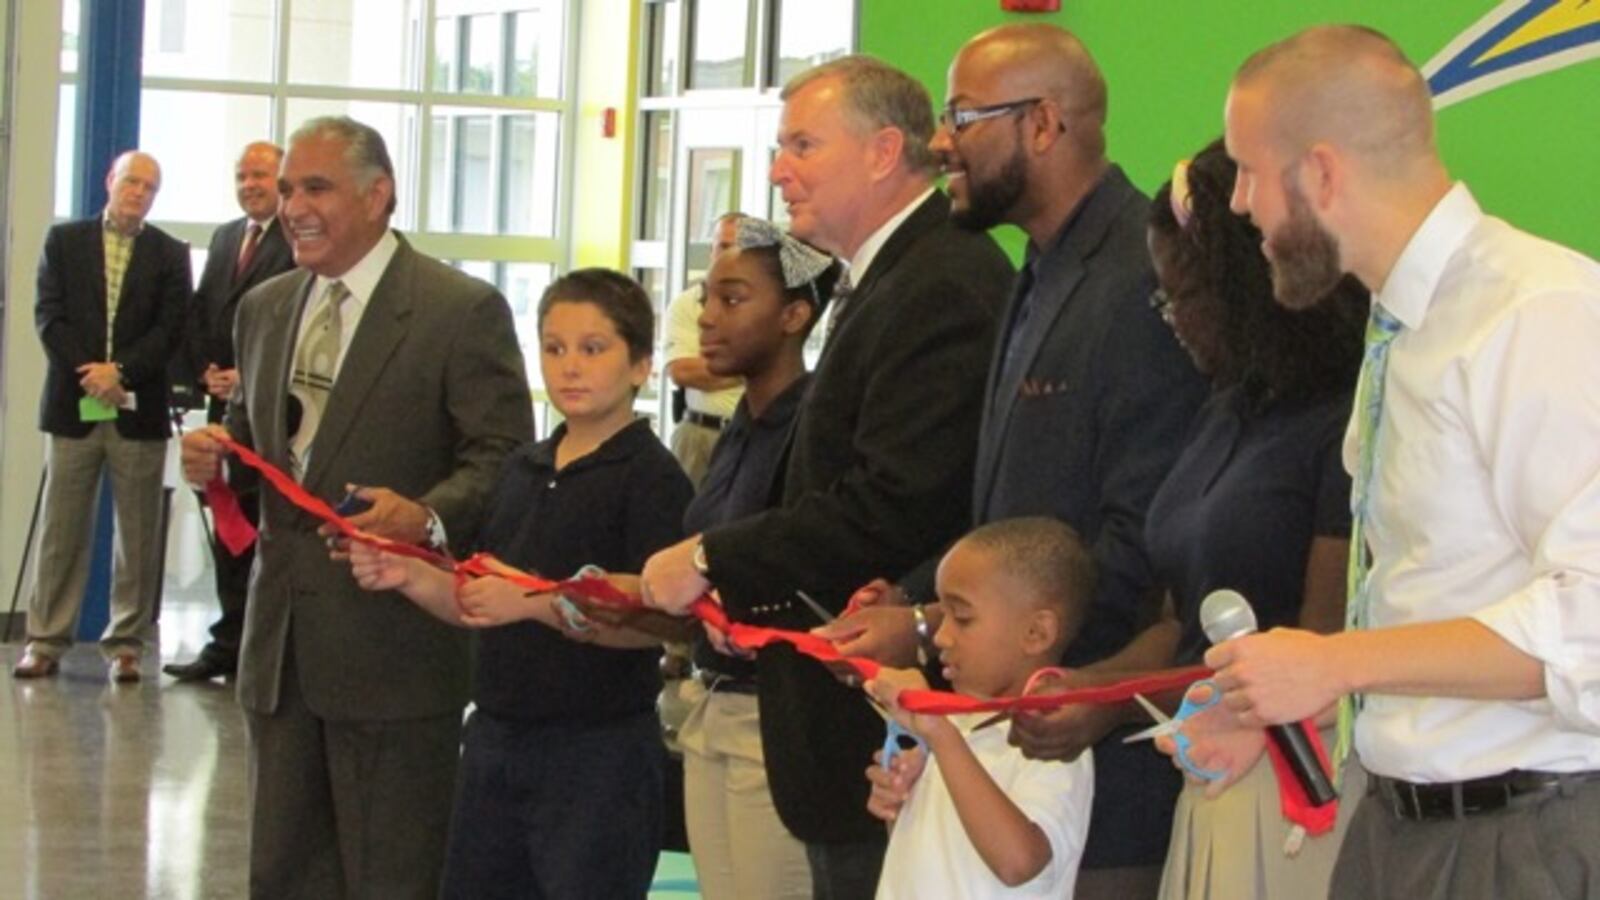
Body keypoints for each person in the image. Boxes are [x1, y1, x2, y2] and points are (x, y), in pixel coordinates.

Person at [1172, 25, 1600, 900]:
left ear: (1323, 171)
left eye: (1251, 171)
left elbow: (1590, 623)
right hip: (1400, 829)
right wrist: (1312, 703)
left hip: (1524, 843)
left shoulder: (1537, 312)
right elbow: (1440, 587)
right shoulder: (1402, 326)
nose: (1242, 204)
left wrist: (1336, 665)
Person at [815, 24, 1206, 895]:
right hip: (999, 753)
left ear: (1043, 124)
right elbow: (1010, 522)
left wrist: (932, 631)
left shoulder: (1136, 283)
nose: (941, 141)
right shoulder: (1040, 267)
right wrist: (923, 599)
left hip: (1089, 776)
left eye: (961, 114)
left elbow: (1136, 555)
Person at [640, 55, 1013, 898]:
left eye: (802, 144)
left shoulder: (940, 282)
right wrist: (747, 596)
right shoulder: (888, 277)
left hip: (880, 723)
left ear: (884, 152)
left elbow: (896, 503)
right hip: (839, 714)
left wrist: (713, 560)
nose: (778, 170)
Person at [180, 116, 532, 899]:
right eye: (285, 191)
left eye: (316, 187)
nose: (293, 207)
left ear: (379, 195)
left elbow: (503, 458)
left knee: (391, 878)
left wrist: (425, 518)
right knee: (282, 876)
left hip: (397, 657)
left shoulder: (457, 309)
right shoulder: (264, 308)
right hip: (279, 660)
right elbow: (260, 454)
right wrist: (218, 458)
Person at [346, 268, 693, 899]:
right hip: (498, 739)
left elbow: (662, 624)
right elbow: (480, 597)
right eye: (554, 348)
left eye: (594, 349)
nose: (571, 367)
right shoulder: (522, 467)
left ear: (642, 365)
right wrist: (409, 574)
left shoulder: (651, 477)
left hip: (597, 753)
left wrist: (536, 602)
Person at [1139, 139, 1367, 899]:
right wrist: (1074, 693)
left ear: (1247, 288)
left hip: (1292, 787)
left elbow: (1325, 635)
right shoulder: (1228, 409)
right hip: (1209, 777)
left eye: (1184, 295)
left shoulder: (1343, 422)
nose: (1170, 319)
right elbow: (1180, 618)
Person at [679, 217, 841, 900]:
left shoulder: (811, 428)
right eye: (706, 298)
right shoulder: (737, 426)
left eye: (734, 299)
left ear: (795, 315)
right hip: (707, 703)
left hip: (770, 717)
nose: (708, 318)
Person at [15, 151, 191, 683]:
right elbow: (49, 316)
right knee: (61, 530)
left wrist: (121, 374)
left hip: (138, 412)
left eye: (150, 187)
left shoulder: (168, 253)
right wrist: (90, 373)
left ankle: (126, 645)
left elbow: (171, 327)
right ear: (109, 181)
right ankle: (44, 641)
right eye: (132, 181)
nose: (139, 192)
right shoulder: (63, 242)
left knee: (137, 534)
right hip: (74, 406)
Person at [866, 517, 1095, 899]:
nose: (940, 636)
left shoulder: (1052, 741)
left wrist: (940, 735)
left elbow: (1017, 863)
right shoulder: (955, 726)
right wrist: (899, 804)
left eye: (963, 618)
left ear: (1036, 633)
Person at [165, 140, 297, 684]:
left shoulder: (295, 239)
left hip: (272, 409)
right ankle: (226, 641)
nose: (249, 185)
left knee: (260, 532)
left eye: (260, 175)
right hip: (222, 402)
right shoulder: (225, 237)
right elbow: (203, 312)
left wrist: (251, 375)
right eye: (241, 176)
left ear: (282, 179)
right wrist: (207, 372)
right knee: (226, 531)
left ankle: (257, 649)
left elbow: (291, 321)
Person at [664, 211, 746, 486]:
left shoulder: (767, 306)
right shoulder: (686, 304)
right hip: (698, 437)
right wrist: (750, 366)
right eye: (723, 245)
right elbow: (682, 371)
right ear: (710, 249)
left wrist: (714, 366)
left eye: (740, 246)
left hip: (750, 438)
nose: (730, 253)